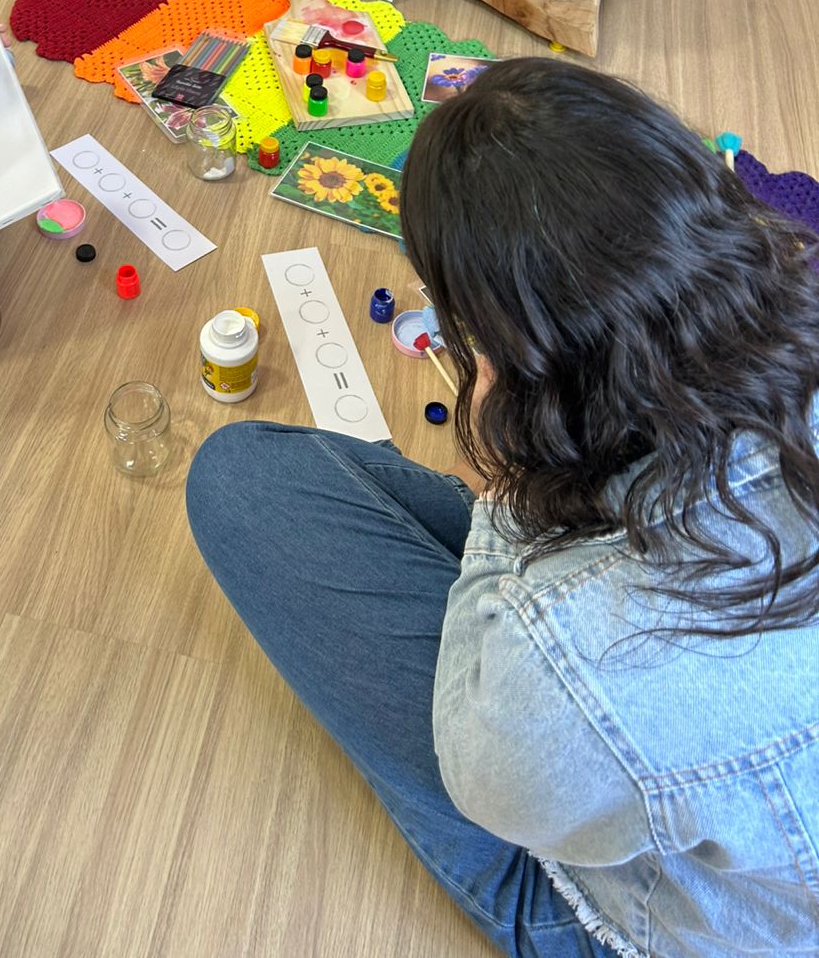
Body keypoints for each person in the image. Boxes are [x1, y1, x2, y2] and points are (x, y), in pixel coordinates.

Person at [187, 59, 819, 958]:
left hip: (643, 918)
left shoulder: (567, 652)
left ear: (517, 355)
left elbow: (500, 792)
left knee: (239, 480)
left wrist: (507, 489)